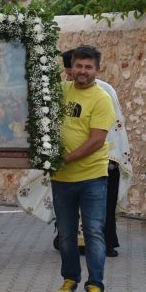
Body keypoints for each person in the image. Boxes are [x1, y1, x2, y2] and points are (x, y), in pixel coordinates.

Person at [51, 45, 115, 292]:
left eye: (88, 67)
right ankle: (70, 280)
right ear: (71, 68)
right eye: (79, 66)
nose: (83, 71)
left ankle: (96, 286)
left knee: (93, 233)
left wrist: (64, 158)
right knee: (65, 234)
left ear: (96, 70)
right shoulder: (60, 92)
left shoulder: (101, 99)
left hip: (92, 177)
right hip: (61, 179)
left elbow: (96, 141)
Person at [61, 48, 133, 257]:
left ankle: (106, 242)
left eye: (86, 67)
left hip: (104, 158)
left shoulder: (104, 91)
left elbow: (112, 126)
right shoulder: (65, 89)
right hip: (72, 162)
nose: (72, 75)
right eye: (73, 70)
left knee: (102, 207)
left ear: (95, 69)